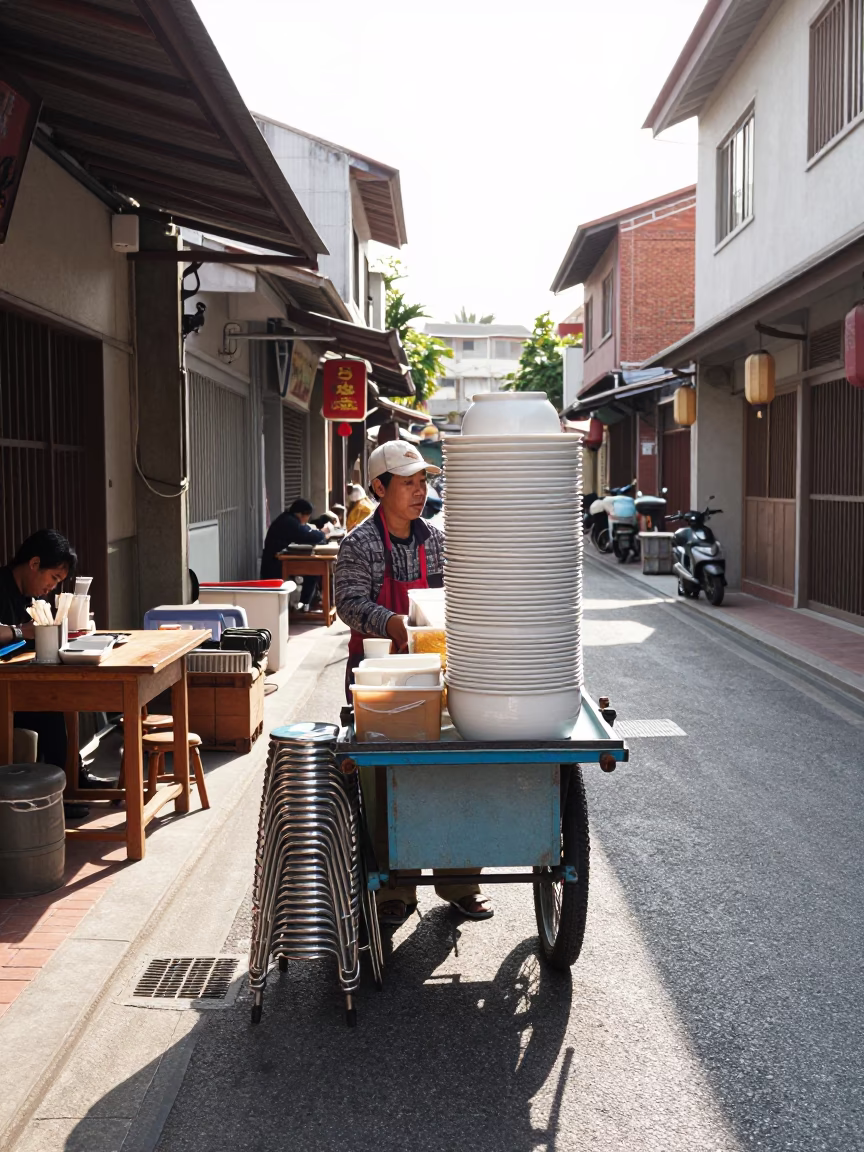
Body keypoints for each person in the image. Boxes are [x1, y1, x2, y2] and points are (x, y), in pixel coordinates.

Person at [335, 442, 493, 926]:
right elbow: (347, 602)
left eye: (424, 482)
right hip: (381, 679)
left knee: (454, 773)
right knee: (385, 782)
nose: (420, 491)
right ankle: (394, 892)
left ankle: (461, 883)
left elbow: (459, 597)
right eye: (409, 482)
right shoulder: (358, 544)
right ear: (380, 487)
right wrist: (393, 623)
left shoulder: (437, 540)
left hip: (439, 676)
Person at [0, 530, 89, 819]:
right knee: (48, 709)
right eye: (53, 578)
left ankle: (72, 782)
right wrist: (19, 631)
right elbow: (20, 634)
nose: (51, 588)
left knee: (57, 700)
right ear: (34, 563)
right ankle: (59, 795)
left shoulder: (30, 598)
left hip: (16, 683)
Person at [261, 499, 330, 608]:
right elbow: (306, 536)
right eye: (308, 516)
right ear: (301, 514)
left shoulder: (288, 518)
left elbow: (306, 530)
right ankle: (305, 603)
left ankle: (306, 603)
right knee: (314, 570)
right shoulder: (289, 522)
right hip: (275, 564)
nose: (308, 519)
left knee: (314, 569)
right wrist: (323, 534)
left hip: (279, 560)